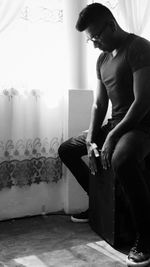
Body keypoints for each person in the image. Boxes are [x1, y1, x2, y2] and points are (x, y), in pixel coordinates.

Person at [58, 2, 150, 266]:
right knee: (69, 149)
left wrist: (111, 137)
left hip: (141, 126)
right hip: (117, 124)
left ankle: (145, 237)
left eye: (96, 36)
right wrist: (91, 138)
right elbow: (99, 104)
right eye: (91, 40)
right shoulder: (102, 59)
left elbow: (142, 103)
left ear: (111, 25)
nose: (95, 44)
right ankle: (98, 204)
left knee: (121, 159)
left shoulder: (139, 48)